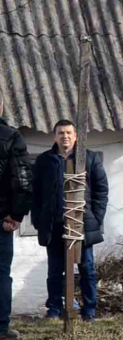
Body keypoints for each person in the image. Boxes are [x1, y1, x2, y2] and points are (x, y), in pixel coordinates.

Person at [31, 119, 108, 322]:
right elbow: (35, 193)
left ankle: (89, 310)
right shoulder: (44, 161)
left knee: (87, 269)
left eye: (68, 133)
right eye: (60, 133)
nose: (65, 136)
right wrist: (38, 220)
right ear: (54, 136)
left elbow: (101, 191)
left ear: (75, 136)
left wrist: (95, 218)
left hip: (81, 224)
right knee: (55, 270)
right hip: (54, 224)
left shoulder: (89, 158)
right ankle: (55, 309)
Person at [0, 89, 33, 340]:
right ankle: (0, 329)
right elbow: (23, 179)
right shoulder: (11, 136)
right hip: (1, 221)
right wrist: (16, 216)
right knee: (0, 274)